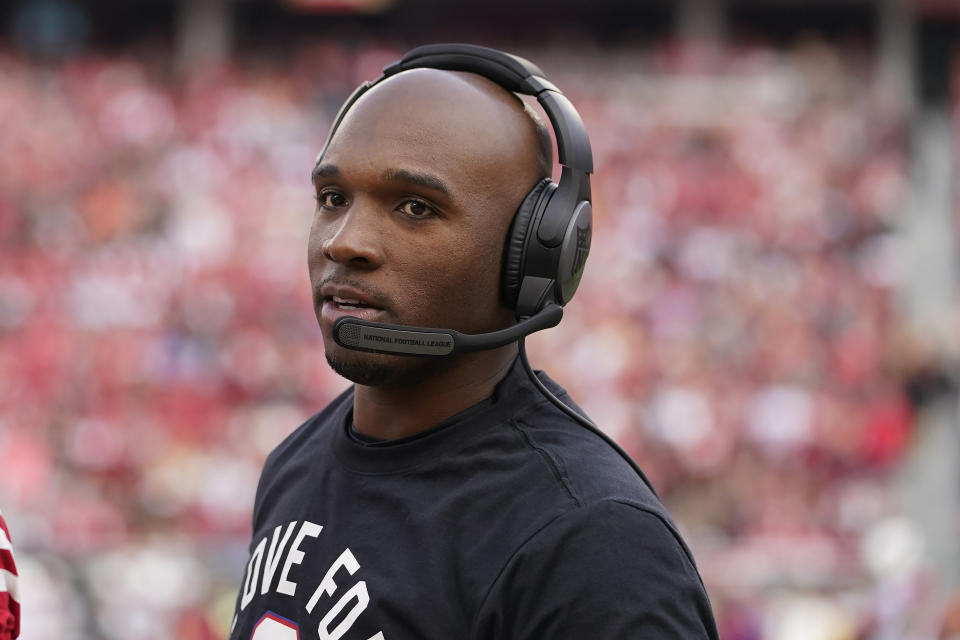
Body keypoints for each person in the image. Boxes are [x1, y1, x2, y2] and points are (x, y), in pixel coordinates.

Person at [229, 44, 718, 640]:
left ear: (534, 253)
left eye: (415, 207)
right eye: (333, 198)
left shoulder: (592, 545)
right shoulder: (296, 460)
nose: (345, 241)